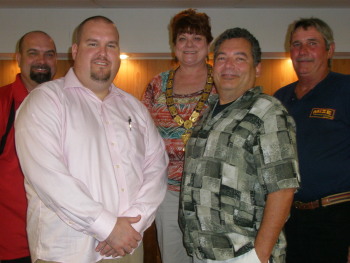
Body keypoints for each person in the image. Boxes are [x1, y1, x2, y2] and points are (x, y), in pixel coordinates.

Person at [14, 16, 168, 262]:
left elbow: (156, 168)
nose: (103, 53)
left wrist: (133, 225)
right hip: (66, 251)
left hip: (127, 248)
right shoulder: (45, 101)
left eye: (111, 45)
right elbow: (49, 178)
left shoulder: (135, 108)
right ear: (75, 51)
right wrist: (108, 227)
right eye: (93, 44)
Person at [179, 27, 300, 263]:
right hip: (203, 252)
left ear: (257, 68)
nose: (229, 65)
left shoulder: (268, 112)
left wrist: (259, 255)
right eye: (222, 58)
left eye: (240, 58)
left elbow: (283, 189)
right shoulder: (207, 115)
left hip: (244, 253)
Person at [142, 9, 216, 263]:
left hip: (212, 192)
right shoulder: (157, 84)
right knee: (173, 257)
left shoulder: (222, 81)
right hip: (169, 192)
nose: (189, 45)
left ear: (208, 45)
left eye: (197, 38)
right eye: (183, 38)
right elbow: (143, 136)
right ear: (174, 46)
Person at [274, 18, 350, 263]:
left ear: (330, 50)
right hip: (290, 219)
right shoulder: (280, 97)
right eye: (296, 44)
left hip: (337, 218)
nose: (303, 51)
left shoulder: (345, 89)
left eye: (312, 43)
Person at [0, 31, 57, 263]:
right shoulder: (3, 102)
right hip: (12, 243)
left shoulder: (70, 104)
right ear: (18, 58)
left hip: (61, 241)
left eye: (49, 55)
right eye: (33, 53)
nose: (42, 61)